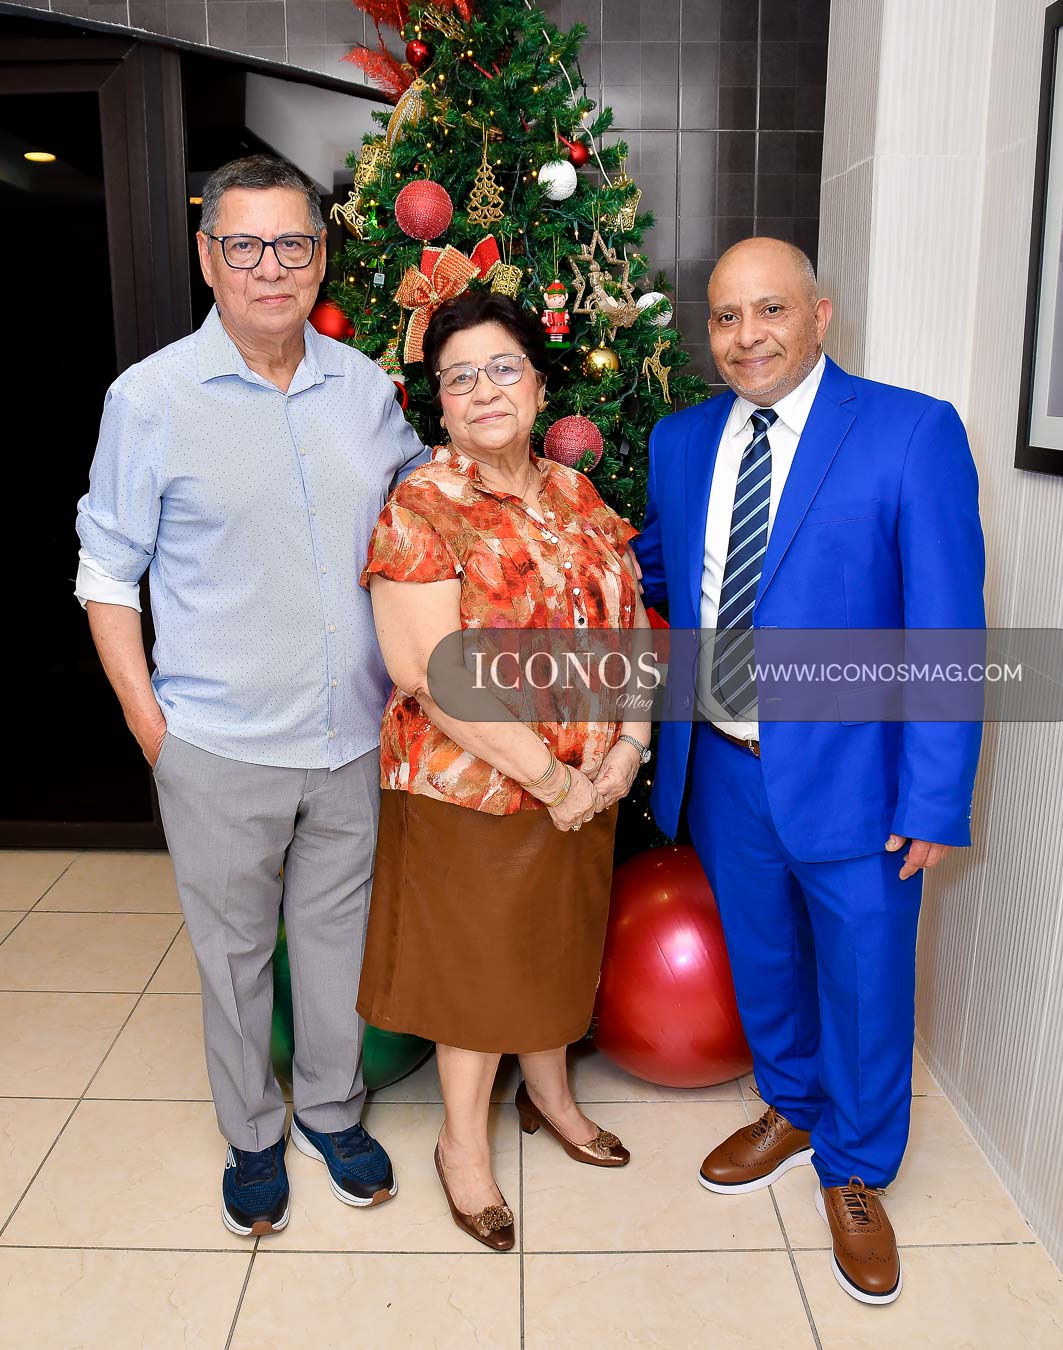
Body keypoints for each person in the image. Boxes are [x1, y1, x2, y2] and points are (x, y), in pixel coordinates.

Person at [75, 154, 426, 1238]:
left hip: (352, 739)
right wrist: (153, 730)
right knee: (232, 962)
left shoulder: (365, 389)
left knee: (333, 945)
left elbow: (423, 517)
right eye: (244, 244)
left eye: (292, 243)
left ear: (319, 255)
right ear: (207, 257)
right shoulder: (149, 399)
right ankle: (252, 1136)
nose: (269, 267)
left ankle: (329, 1112)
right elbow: (106, 572)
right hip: (216, 746)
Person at [633, 237, 985, 1305]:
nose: (747, 336)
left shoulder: (911, 432)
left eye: (770, 310)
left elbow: (947, 628)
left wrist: (934, 797)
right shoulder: (680, 439)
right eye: (725, 316)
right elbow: (659, 567)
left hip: (860, 780)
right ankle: (791, 1106)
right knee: (765, 962)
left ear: (819, 315)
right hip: (723, 769)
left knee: (866, 980)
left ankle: (858, 1164)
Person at [358, 291, 651, 1251]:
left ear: (537, 384)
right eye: (459, 377)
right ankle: (461, 1146)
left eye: (502, 368)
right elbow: (428, 673)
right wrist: (553, 780)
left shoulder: (576, 494)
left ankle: (552, 1099)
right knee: (481, 975)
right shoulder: (421, 506)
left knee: (559, 947)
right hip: (476, 787)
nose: (484, 390)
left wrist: (628, 745)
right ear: (438, 403)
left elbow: (629, 625)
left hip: (589, 782)